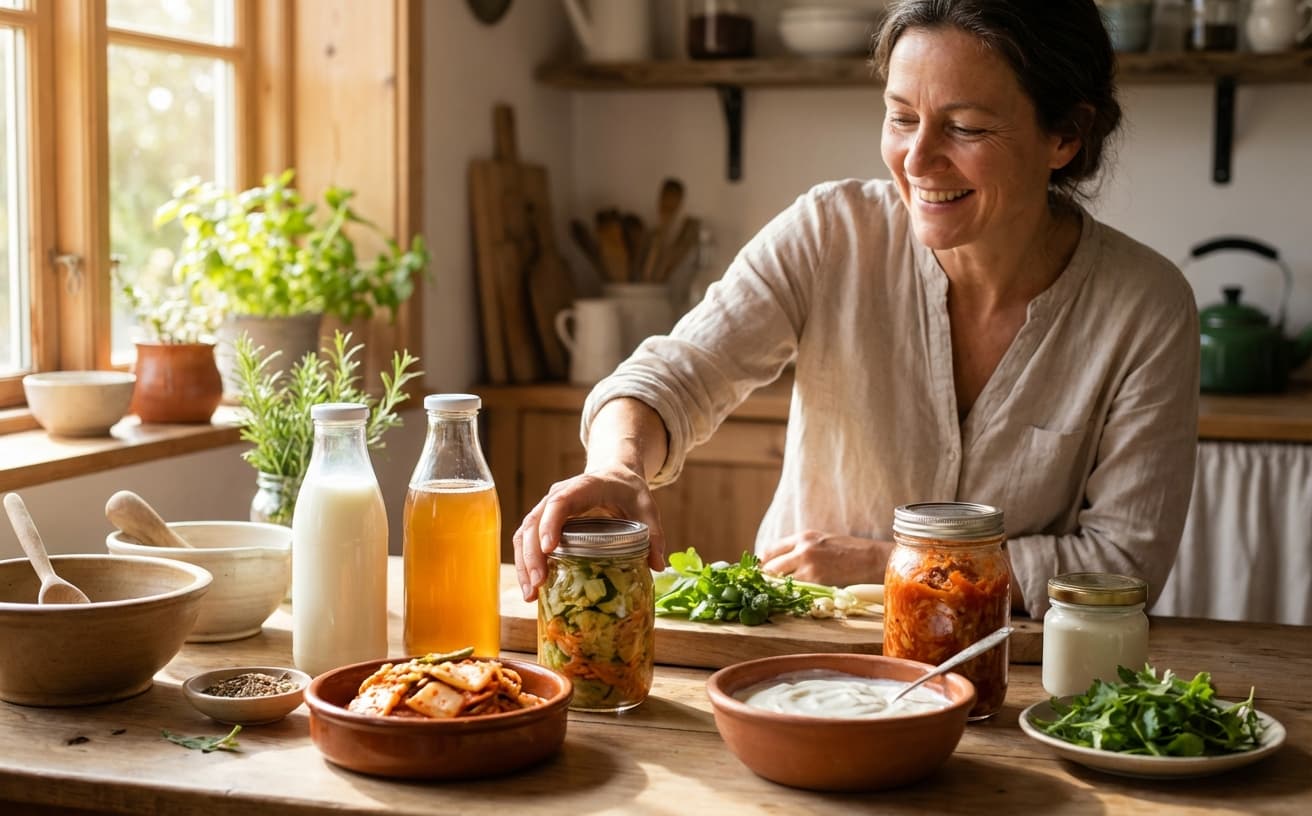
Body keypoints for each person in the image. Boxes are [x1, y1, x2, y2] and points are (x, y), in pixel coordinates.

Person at [513, 0, 1199, 618]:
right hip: (797, 651)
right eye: (901, 118)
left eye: (963, 127)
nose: (918, 158)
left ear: (1065, 137)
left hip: (1016, 679)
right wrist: (617, 468)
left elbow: (1123, 564)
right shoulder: (829, 231)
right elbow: (676, 374)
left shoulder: (1145, 307)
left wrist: (890, 568)